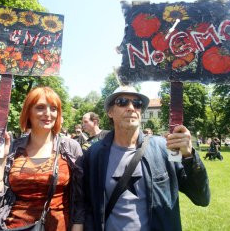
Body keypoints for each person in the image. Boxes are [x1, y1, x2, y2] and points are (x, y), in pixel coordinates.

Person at [83, 86, 210, 231]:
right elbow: (87, 205)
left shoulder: (164, 148)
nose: (131, 107)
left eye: (137, 103)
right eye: (122, 101)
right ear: (110, 112)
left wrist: (189, 156)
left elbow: (201, 197)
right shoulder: (94, 154)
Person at [0, 86, 84, 231]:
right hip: (13, 227)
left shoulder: (70, 148)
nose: (48, 113)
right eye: (40, 107)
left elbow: (79, 197)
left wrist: (77, 226)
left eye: (53, 108)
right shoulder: (13, 149)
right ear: (28, 112)